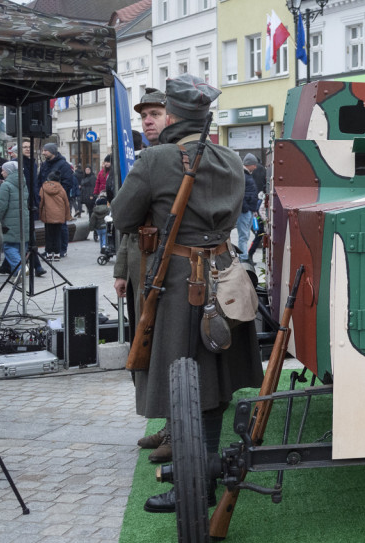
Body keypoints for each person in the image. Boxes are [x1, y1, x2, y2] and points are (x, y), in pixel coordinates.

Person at [111, 73, 263, 513]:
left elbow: (123, 217)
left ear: (173, 114)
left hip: (179, 283)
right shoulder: (232, 160)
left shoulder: (156, 159)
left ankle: (194, 485)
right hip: (222, 274)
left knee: (185, 381)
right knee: (213, 382)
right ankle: (203, 470)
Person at [118, 89, 168, 458]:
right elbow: (127, 224)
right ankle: (165, 422)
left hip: (166, 268)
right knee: (146, 345)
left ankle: (174, 428)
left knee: (166, 346)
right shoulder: (145, 157)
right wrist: (122, 270)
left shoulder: (171, 157)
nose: (147, 120)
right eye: (143, 115)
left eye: (154, 113)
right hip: (140, 267)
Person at [35, 143, 75, 261]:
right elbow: (39, 180)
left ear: (52, 151)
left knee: (60, 225)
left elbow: (68, 182)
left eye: (46, 150)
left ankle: (61, 249)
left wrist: (58, 193)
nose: (43, 152)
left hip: (58, 201)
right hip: (46, 200)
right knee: (48, 228)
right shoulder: (44, 164)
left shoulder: (63, 165)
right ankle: (49, 250)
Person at [20, 140, 46, 277]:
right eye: (24, 147)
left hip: (32, 204)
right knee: (29, 237)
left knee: (30, 236)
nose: (27, 149)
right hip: (22, 204)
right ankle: (37, 266)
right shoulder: (18, 164)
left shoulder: (33, 163)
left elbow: (35, 183)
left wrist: (36, 200)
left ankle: (36, 266)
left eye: (29, 147)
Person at [0, 161, 22, 277]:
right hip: (22, 219)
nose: (1, 172)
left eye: (3, 170)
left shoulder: (5, 185)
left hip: (9, 220)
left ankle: (20, 270)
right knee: (20, 247)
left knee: (9, 247)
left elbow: (1, 206)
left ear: (9, 171)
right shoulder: (23, 182)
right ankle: (17, 272)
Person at [237, 154, 261, 261]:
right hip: (245, 211)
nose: (256, 167)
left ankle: (244, 257)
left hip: (249, 210)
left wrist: (253, 209)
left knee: (245, 236)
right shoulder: (244, 175)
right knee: (244, 236)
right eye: (254, 165)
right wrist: (246, 208)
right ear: (249, 164)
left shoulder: (245, 175)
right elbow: (239, 194)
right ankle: (243, 258)